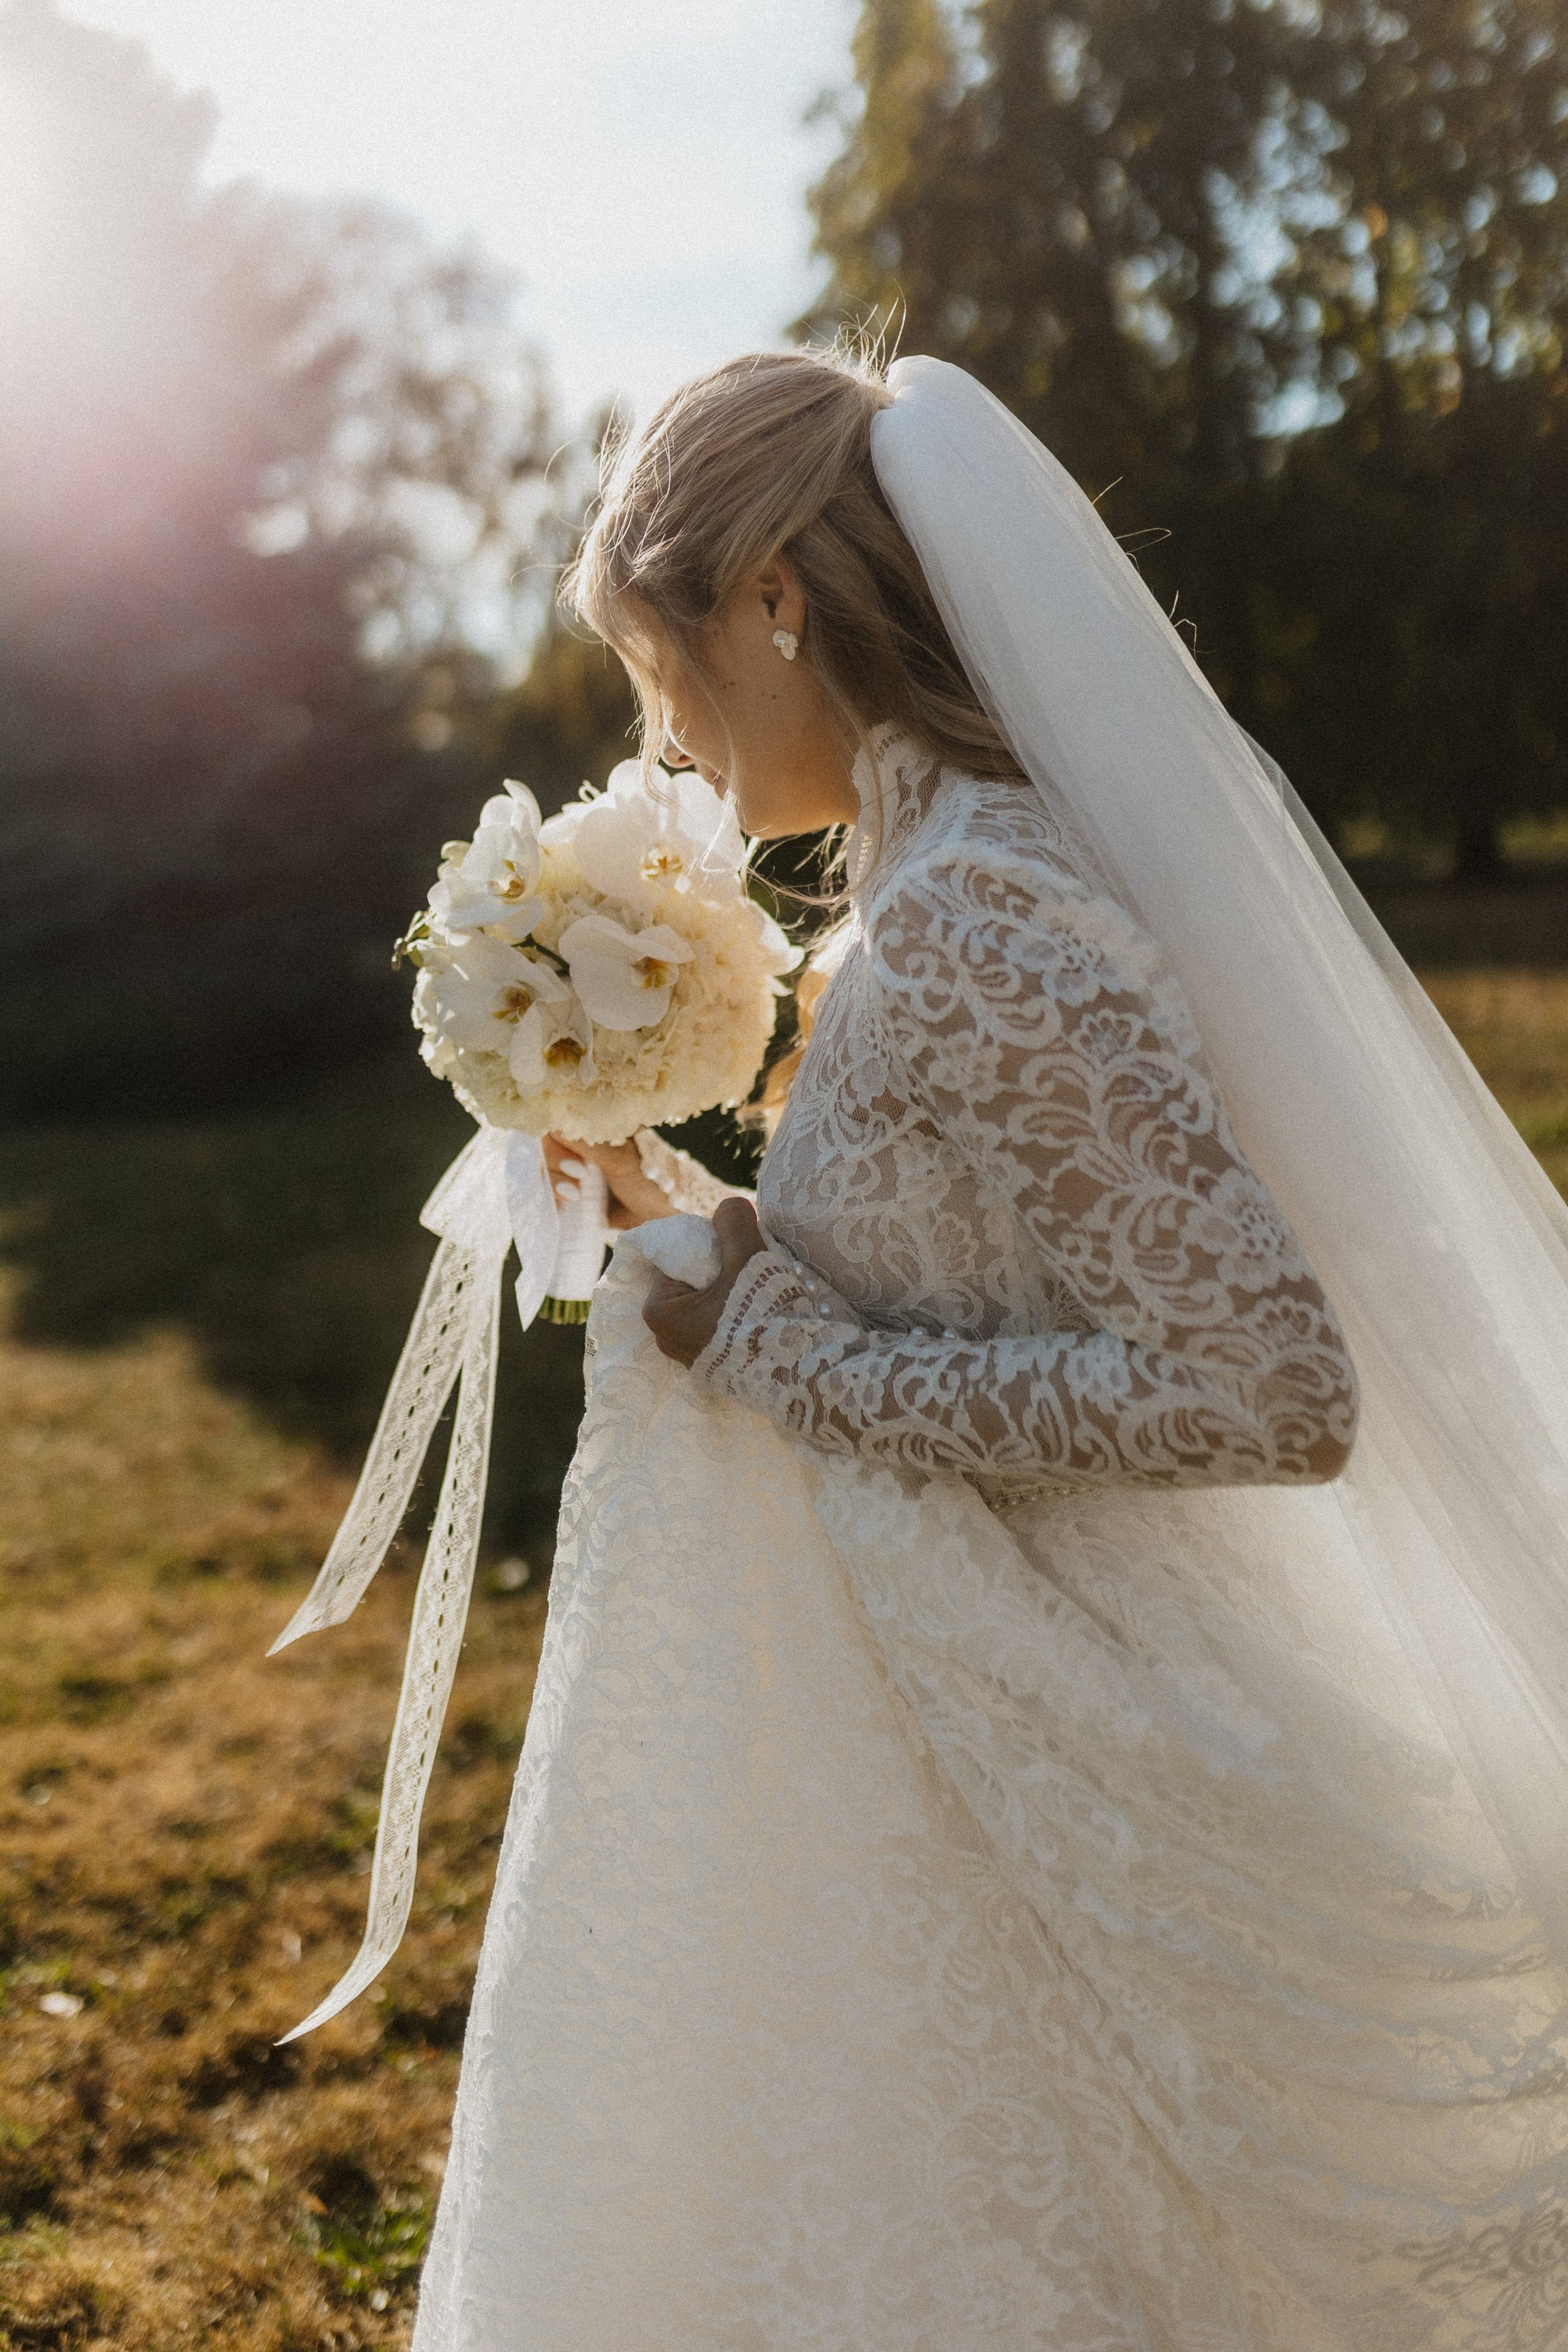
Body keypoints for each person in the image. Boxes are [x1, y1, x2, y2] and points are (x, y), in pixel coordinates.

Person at [410, 348, 1568, 2351]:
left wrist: (780, 1348)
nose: (661, 726)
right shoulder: (931, 894)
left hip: (1076, 1719)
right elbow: (989, 1273)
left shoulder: (976, 923)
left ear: (775, 591)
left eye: (660, 655)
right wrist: (722, 1233)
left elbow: (1266, 1386)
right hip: (942, 1679)